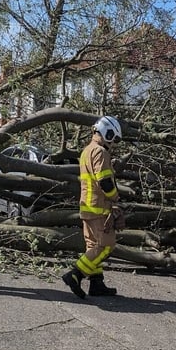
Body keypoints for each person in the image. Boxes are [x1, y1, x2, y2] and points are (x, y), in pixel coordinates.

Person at [62, 115, 124, 299]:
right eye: (115, 139)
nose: (114, 144)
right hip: (99, 208)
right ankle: (75, 274)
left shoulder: (87, 150)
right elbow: (105, 181)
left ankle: (97, 283)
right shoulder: (100, 152)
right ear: (108, 132)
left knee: (92, 246)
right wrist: (115, 198)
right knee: (106, 246)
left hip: (87, 207)